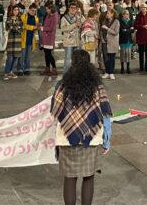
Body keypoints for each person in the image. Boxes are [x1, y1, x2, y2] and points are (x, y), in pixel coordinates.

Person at [50, 49, 112, 205]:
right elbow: (104, 114)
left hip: (67, 137)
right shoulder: (97, 85)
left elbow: (55, 111)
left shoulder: (62, 85)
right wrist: (106, 140)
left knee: (69, 178)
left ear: (73, 62)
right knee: (88, 176)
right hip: (91, 138)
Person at [60, 3, 82, 73]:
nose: (73, 9)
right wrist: (74, 25)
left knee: (76, 59)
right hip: (68, 41)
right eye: (72, 8)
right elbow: (63, 29)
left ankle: (75, 74)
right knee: (68, 59)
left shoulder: (78, 17)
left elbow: (83, 25)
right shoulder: (64, 18)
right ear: (69, 9)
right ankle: (66, 75)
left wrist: (80, 15)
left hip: (76, 41)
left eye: (75, 8)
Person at [4, 6, 24, 80]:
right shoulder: (9, 19)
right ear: (12, 11)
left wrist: (15, 28)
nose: (16, 11)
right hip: (11, 41)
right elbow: (9, 28)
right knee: (10, 58)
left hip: (18, 41)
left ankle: (11, 72)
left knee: (15, 58)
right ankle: (6, 73)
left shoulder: (20, 19)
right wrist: (16, 27)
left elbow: (21, 29)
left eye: (17, 10)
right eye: (15, 10)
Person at [19, 4, 39, 75]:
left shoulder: (36, 18)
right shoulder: (23, 16)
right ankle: (20, 69)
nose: (33, 12)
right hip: (23, 38)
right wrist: (32, 27)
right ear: (29, 10)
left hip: (31, 39)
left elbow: (36, 28)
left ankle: (27, 68)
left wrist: (37, 28)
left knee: (28, 55)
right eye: (32, 10)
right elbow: (22, 26)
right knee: (22, 55)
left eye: (35, 11)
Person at [133, 3, 147, 73]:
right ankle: (141, 67)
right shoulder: (138, 16)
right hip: (140, 36)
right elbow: (135, 25)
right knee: (141, 53)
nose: (143, 9)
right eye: (142, 7)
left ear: (146, 8)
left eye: (145, 8)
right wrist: (142, 26)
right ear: (140, 8)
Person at [100, 7, 119, 80]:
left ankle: (111, 72)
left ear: (112, 14)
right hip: (104, 42)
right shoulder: (105, 21)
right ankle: (107, 72)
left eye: (108, 13)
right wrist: (102, 38)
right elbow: (101, 30)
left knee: (112, 58)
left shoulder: (116, 22)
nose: (106, 15)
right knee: (105, 57)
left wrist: (107, 29)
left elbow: (116, 32)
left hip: (112, 42)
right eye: (106, 13)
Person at [41, 2, 59, 77]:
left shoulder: (54, 16)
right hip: (45, 37)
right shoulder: (48, 15)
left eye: (47, 9)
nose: (46, 10)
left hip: (49, 37)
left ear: (51, 9)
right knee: (46, 54)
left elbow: (52, 28)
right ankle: (47, 68)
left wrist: (43, 28)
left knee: (49, 54)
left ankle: (54, 68)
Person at [118, 9, 134, 74]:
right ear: (123, 15)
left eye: (128, 14)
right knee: (122, 54)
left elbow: (132, 30)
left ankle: (128, 68)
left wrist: (126, 30)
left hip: (129, 40)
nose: (128, 15)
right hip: (122, 40)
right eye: (126, 14)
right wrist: (128, 30)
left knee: (128, 54)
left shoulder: (130, 21)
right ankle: (122, 68)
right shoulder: (120, 21)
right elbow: (121, 31)